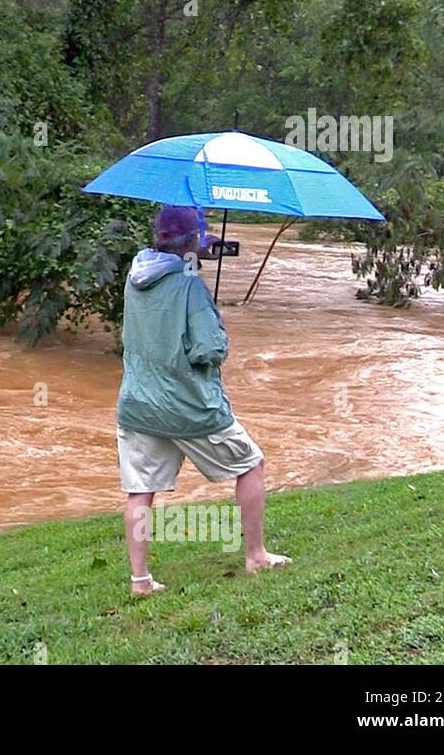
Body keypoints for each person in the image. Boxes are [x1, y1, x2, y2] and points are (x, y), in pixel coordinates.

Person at [116, 205, 290, 595]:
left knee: (140, 489)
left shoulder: (135, 274)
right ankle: (256, 554)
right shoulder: (191, 285)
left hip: (138, 404)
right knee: (251, 464)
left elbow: (166, 274)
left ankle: (140, 580)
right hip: (189, 405)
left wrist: (192, 256)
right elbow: (208, 350)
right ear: (193, 241)